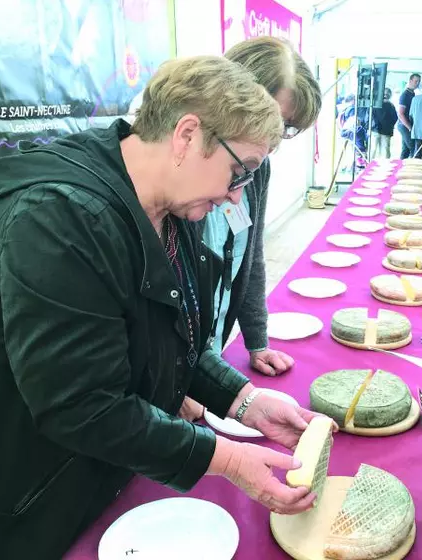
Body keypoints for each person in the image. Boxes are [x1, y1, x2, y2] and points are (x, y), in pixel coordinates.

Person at [0, 56, 327, 560]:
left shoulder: (168, 200)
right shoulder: (59, 218)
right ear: (187, 135)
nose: (235, 195)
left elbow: (172, 336)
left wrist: (243, 401)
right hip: (8, 497)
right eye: (239, 172)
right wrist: (226, 460)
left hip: (88, 476)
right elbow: (81, 404)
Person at [179, 37, 322, 422]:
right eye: (274, 120)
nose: (273, 141)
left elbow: (249, 258)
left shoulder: (256, 168)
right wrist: (178, 383)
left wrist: (256, 341)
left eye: (286, 129)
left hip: (206, 357)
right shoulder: (179, 179)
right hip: (178, 366)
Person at [396, 73, 420, 158]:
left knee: (405, 149)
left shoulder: (412, 94)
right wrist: (409, 127)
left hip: (407, 124)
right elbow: (400, 113)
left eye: (418, 82)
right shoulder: (405, 95)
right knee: (413, 148)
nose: (417, 83)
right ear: (410, 81)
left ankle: (402, 167)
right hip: (404, 124)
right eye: (416, 81)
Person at [371, 87, 398, 159]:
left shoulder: (375, 104)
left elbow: (371, 116)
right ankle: (384, 165)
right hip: (385, 131)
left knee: (373, 149)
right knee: (384, 150)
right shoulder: (391, 106)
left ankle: (369, 165)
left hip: (376, 130)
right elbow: (395, 118)